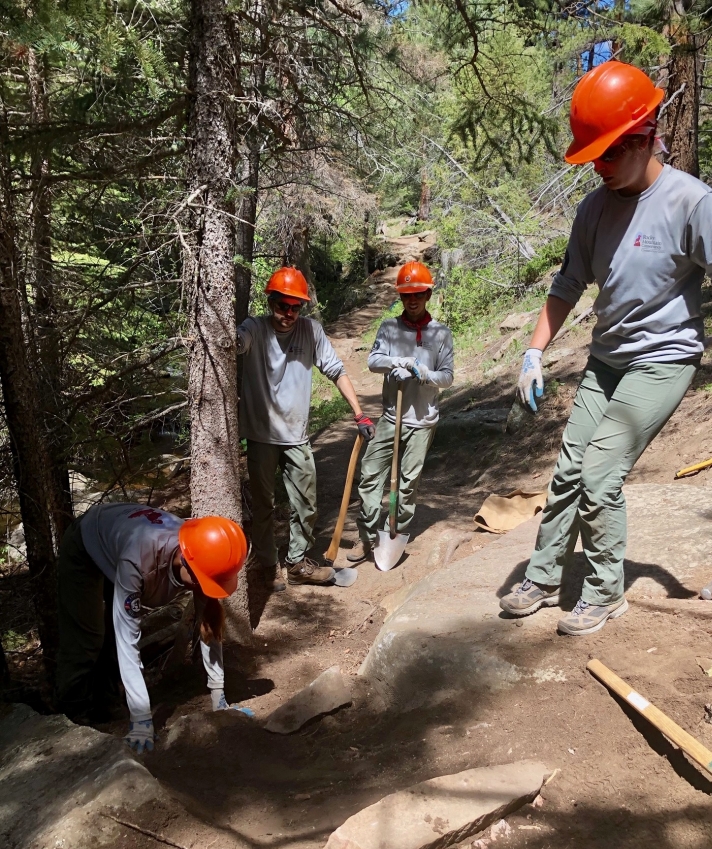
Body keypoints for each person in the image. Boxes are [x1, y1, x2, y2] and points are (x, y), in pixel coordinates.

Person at [501, 60, 712, 637]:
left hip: (663, 359)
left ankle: (603, 592)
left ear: (645, 138)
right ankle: (543, 577)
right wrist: (534, 351)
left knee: (600, 473)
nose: (600, 167)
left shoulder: (690, 203)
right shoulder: (593, 208)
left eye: (610, 153)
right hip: (607, 359)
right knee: (568, 468)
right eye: (593, 155)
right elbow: (567, 284)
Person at [55, 504, 250, 753]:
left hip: (120, 538)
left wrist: (218, 696)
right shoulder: (139, 560)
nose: (206, 588)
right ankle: (73, 721)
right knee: (88, 637)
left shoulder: (204, 551)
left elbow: (209, 626)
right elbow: (128, 638)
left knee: (109, 640)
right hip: (87, 544)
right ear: (186, 563)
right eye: (205, 582)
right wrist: (142, 721)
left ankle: (108, 705)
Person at [237, 267, 374, 589]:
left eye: (295, 307)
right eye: (282, 305)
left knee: (306, 504)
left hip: (296, 436)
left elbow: (337, 370)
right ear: (271, 302)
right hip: (260, 435)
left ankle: (297, 563)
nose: (288, 314)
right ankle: (269, 565)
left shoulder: (310, 331)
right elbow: (235, 343)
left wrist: (359, 414)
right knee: (263, 505)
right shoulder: (255, 328)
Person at [347, 261, 454, 563]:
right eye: (407, 295)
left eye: (418, 293)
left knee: (407, 484)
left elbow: (447, 377)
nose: (413, 300)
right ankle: (367, 538)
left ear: (428, 294)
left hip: (422, 422)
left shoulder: (441, 334)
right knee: (370, 475)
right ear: (401, 297)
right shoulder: (389, 328)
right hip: (391, 417)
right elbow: (373, 361)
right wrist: (399, 362)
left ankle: (393, 532)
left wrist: (422, 373)